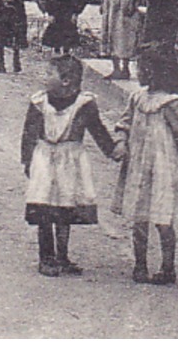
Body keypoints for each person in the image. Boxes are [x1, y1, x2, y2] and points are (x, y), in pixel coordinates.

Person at [112, 47, 178, 285]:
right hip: (138, 166)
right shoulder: (138, 98)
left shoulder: (172, 104)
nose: (137, 72)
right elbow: (124, 123)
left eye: (141, 68)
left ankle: (167, 267)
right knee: (139, 218)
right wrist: (122, 142)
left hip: (164, 167)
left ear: (153, 72)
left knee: (163, 219)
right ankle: (140, 264)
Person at [21, 55, 119, 277]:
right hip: (44, 157)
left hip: (71, 159)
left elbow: (97, 130)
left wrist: (112, 151)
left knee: (65, 208)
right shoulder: (39, 102)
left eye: (49, 74)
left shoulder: (84, 104)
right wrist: (27, 161)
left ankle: (62, 256)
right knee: (44, 206)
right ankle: (46, 257)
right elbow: (28, 133)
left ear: (66, 80)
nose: (44, 78)